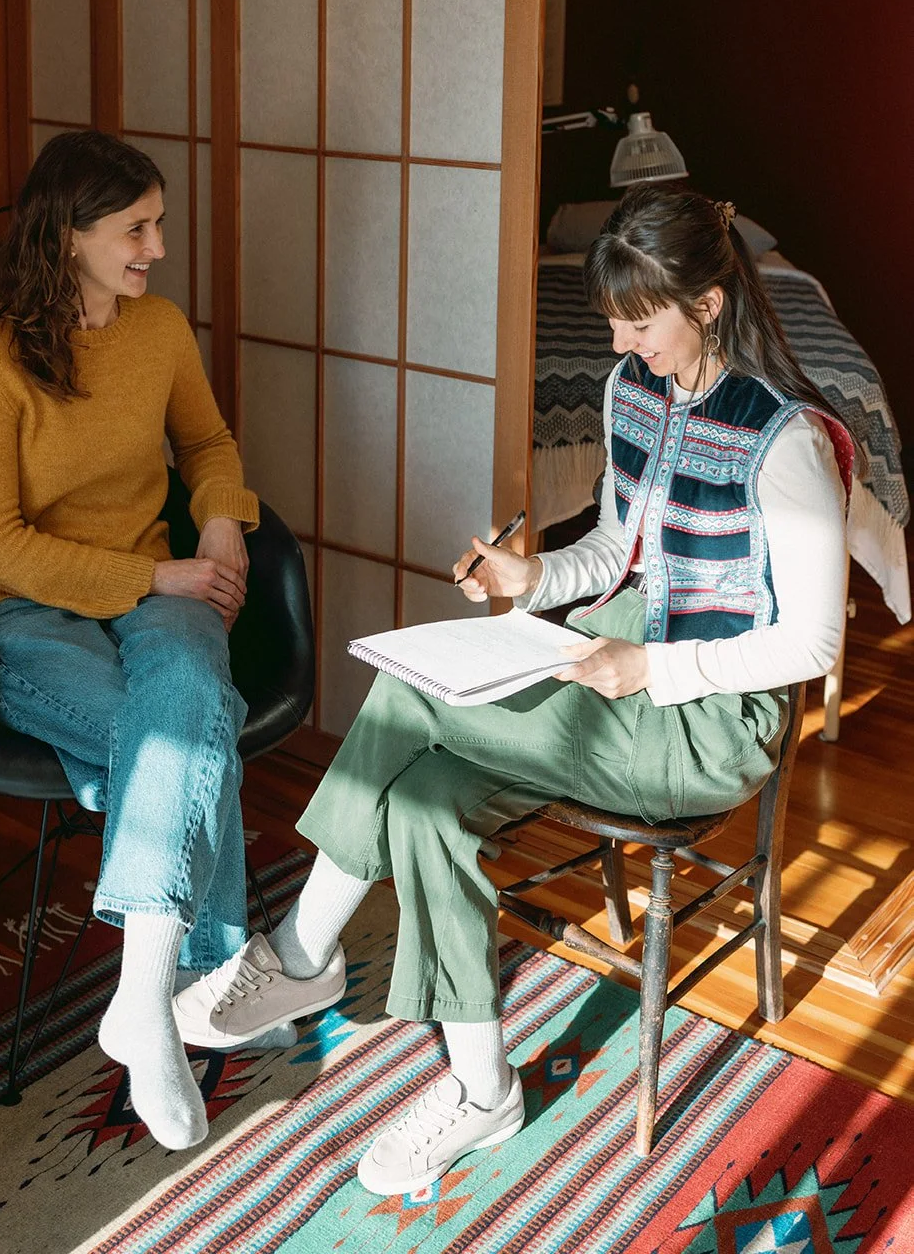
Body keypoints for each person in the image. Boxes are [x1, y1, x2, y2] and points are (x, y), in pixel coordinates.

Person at [172, 182, 856, 1193]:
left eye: (641, 321)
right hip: (620, 663)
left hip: (706, 722)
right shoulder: (635, 394)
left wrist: (650, 665)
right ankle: (481, 1089)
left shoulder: (782, 438)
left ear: (705, 304)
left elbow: (808, 642)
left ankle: (299, 950)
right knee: (420, 800)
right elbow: (618, 549)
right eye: (614, 322)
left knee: (408, 697)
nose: (624, 346)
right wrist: (530, 578)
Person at [0, 129, 270, 1151]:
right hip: (23, 609)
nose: (157, 247)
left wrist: (220, 521)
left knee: (177, 709)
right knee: (188, 732)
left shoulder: (158, 330)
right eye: (137, 227)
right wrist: (162, 572)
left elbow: (207, 443)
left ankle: (141, 996)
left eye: (156, 223)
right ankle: (201, 974)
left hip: (156, 587)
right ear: (70, 232)